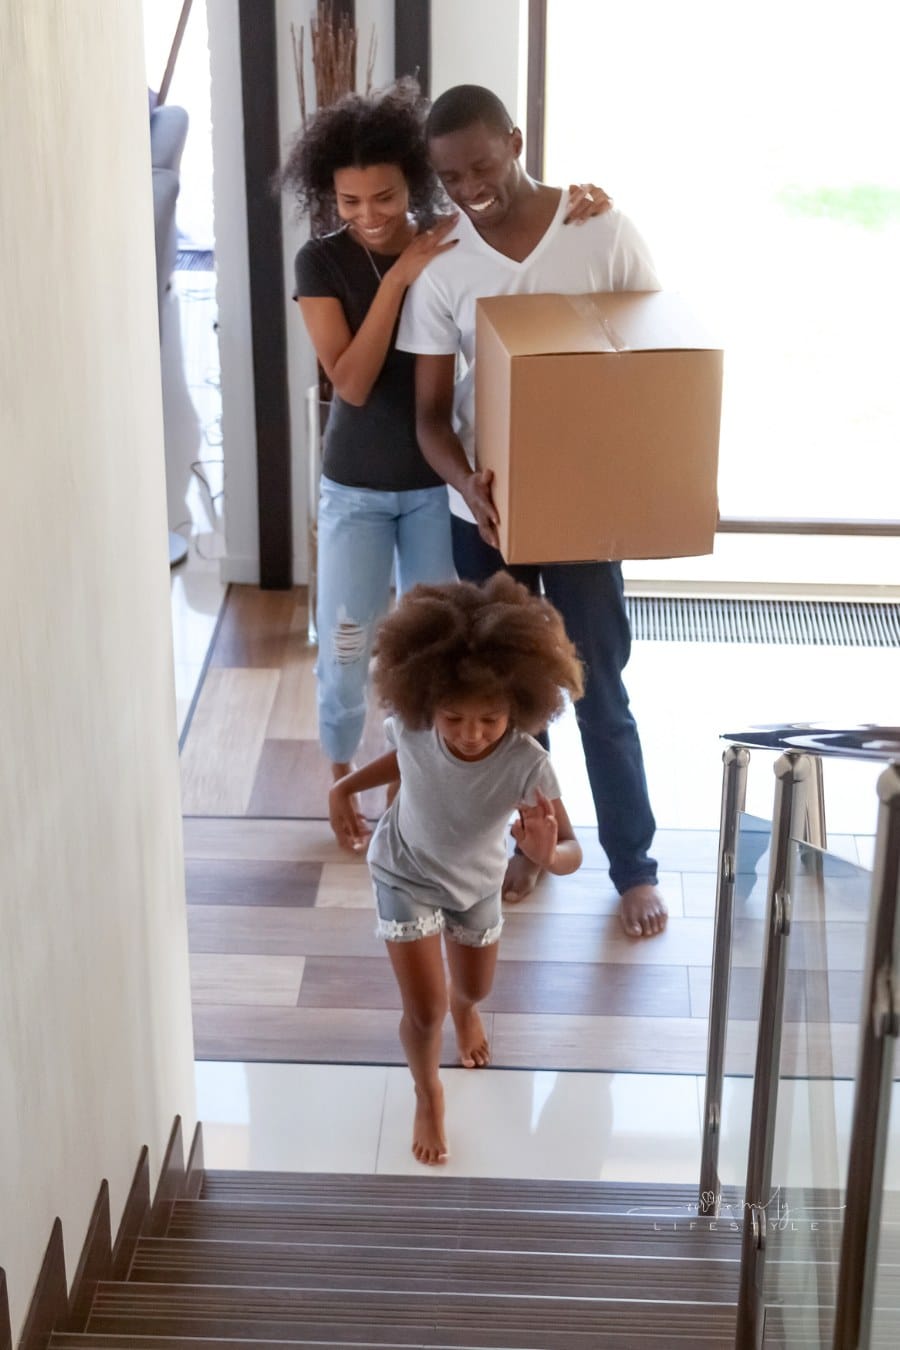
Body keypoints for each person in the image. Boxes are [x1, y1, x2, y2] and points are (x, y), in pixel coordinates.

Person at [282, 81, 611, 820]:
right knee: (344, 648)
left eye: (386, 198)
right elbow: (353, 383)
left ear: (414, 183)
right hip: (356, 492)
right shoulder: (320, 265)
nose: (369, 216)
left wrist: (586, 200)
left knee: (435, 659)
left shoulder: (453, 236)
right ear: (329, 197)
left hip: (438, 491)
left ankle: (414, 787)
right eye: (349, 202)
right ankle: (340, 780)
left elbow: (526, 224)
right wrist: (400, 275)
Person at [396, 84, 668, 938]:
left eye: (481, 164)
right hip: (485, 509)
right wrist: (469, 484)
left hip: (581, 503)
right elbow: (431, 419)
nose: (469, 186)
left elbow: (658, 359)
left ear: (515, 142)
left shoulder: (599, 230)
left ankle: (634, 867)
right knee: (504, 697)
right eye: (449, 176)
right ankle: (527, 845)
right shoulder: (442, 263)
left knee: (597, 687)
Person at [329, 575, 584, 1164]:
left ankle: (468, 1011)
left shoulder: (528, 762)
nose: (470, 735)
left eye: (489, 720)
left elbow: (572, 850)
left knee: (472, 990)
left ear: (519, 711)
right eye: (453, 719)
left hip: (476, 883)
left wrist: (545, 857)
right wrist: (345, 785)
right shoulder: (418, 726)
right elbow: (406, 755)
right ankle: (428, 1091)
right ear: (428, 705)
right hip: (404, 870)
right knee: (424, 1010)